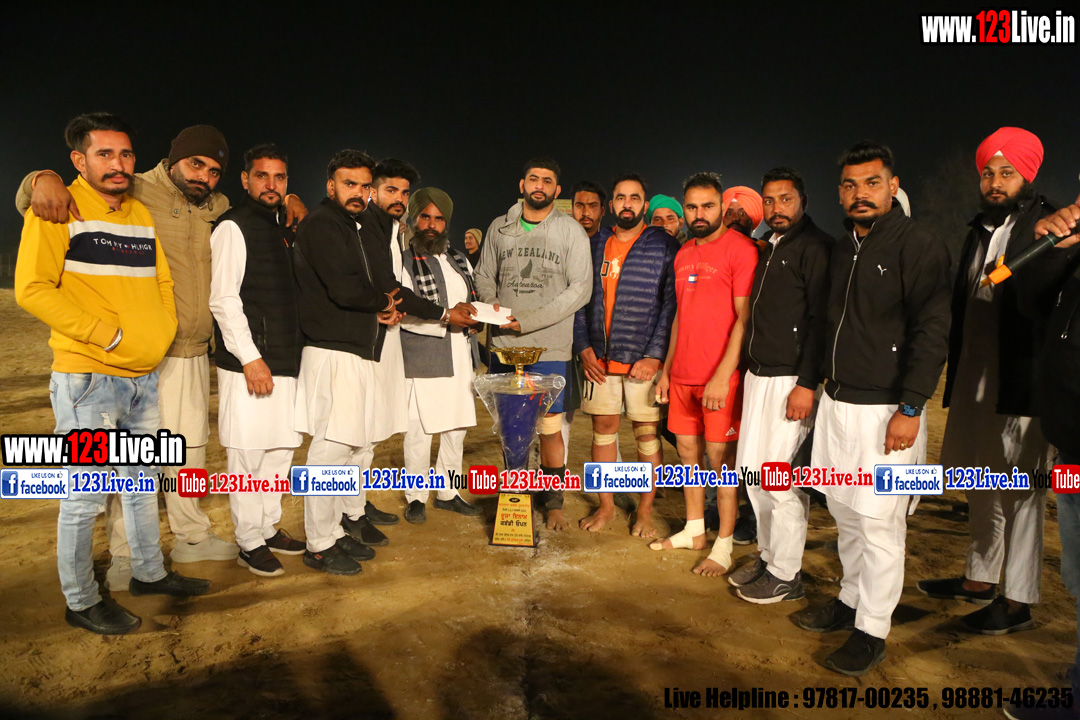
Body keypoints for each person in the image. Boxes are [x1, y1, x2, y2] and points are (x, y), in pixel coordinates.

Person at [17, 125, 306, 584]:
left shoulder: (218, 206)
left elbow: (260, 204)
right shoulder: (134, 189)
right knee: (130, 462)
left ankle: (191, 537)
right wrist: (39, 178)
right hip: (135, 354)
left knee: (188, 451)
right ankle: (126, 556)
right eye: (195, 164)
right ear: (173, 160)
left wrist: (291, 200)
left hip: (193, 351)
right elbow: (65, 196)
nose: (204, 176)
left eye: (214, 170)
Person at [15, 113, 210, 635]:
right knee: (85, 497)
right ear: (79, 161)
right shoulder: (58, 208)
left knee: (140, 487)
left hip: (142, 377)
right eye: (104, 154)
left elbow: (162, 281)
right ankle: (80, 601)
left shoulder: (139, 213)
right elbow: (32, 289)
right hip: (89, 381)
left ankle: (149, 574)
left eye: (125, 154)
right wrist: (109, 336)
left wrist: (160, 332)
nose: (118, 164)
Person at [792, 141, 951, 676]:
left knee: (881, 524)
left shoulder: (920, 245)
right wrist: (812, 386)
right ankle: (850, 599)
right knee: (844, 511)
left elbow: (933, 331)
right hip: (837, 404)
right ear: (840, 192)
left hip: (888, 412)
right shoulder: (843, 249)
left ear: (892, 186)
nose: (860, 194)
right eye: (850, 185)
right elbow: (825, 326)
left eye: (872, 183)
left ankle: (872, 630)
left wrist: (912, 407)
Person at [293, 150, 474, 574]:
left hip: (357, 347)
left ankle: (335, 529)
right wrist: (384, 304)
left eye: (363, 185)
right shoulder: (323, 224)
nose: (359, 193)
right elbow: (348, 288)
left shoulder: (355, 226)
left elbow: (384, 285)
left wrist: (428, 310)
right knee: (330, 450)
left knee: (349, 445)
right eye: (350, 184)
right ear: (331, 185)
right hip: (334, 349)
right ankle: (318, 543)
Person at [918, 127, 1055, 635]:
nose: (995, 182)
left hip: (1023, 381)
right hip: (974, 377)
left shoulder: (1051, 228)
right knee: (978, 479)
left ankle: (1017, 602)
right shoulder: (978, 230)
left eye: (1006, 173)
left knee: (1021, 489)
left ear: (1028, 175)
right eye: (988, 173)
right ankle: (979, 578)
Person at [729, 167, 832, 604]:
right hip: (759, 376)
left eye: (785, 199)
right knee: (753, 474)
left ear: (803, 201)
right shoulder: (770, 246)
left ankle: (787, 573)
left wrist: (807, 384)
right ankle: (769, 557)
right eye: (769, 201)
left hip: (792, 380)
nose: (776, 209)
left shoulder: (816, 247)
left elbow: (820, 321)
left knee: (780, 480)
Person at [474, 157, 593, 531]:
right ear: (522, 185)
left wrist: (529, 321)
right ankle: (517, 498)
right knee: (512, 426)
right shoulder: (499, 228)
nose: (539, 185)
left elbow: (581, 289)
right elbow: (484, 275)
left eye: (547, 180)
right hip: (504, 344)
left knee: (550, 425)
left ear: (557, 190)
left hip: (549, 346)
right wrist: (494, 307)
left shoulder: (571, 231)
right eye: (533, 178)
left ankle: (553, 502)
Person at [208, 144, 309, 577]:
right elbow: (223, 299)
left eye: (279, 177)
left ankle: (267, 528)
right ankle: (249, 542)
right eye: (262, 176)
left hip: (287, 358)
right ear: (245, 180)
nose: (271, 184)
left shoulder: (282, 227)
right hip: (249, 362)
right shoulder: (233, 226)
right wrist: (250, 358)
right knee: (248, 454)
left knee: (280, 450)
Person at [653, 172, 758, 577]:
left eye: (708, 206)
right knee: (687, 456)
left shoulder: (741, 250)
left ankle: (724, 545)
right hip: (682, 375)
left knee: (721, 464)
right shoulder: (683, 254)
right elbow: (680, 316)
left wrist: (722, 375)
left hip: (720, 379)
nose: (700, 214)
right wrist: (667, 371)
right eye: (692, 207)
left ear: (721, 208)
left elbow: (744, 318)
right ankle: (695, 530)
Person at [574, 173, 678, 536]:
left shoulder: (663, 244)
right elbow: (579, 300)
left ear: (644, 204)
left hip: (642, 362)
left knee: (646, 435)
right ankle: (606, 507)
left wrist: (654, 355)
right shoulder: (594, 244)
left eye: (634, 198)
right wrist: (583, 346)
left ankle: (645, 510)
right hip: (600, 361)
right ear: (612, 205)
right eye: (621, 197)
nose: (627, 204)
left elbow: (671, 304)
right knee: (603, 432)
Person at [399, 187, 482, 522]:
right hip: (423, 355)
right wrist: (448, 319)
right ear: (414, 219)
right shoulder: (403, 261)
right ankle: (416, 496)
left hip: (461, 355)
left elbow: (472, 301)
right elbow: (404, 313)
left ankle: (448, 492)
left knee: (456, 428)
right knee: (419, 431)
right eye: (425, 217)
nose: (431, 225)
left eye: (439, 218)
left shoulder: (459, 259)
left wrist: (478, 316)